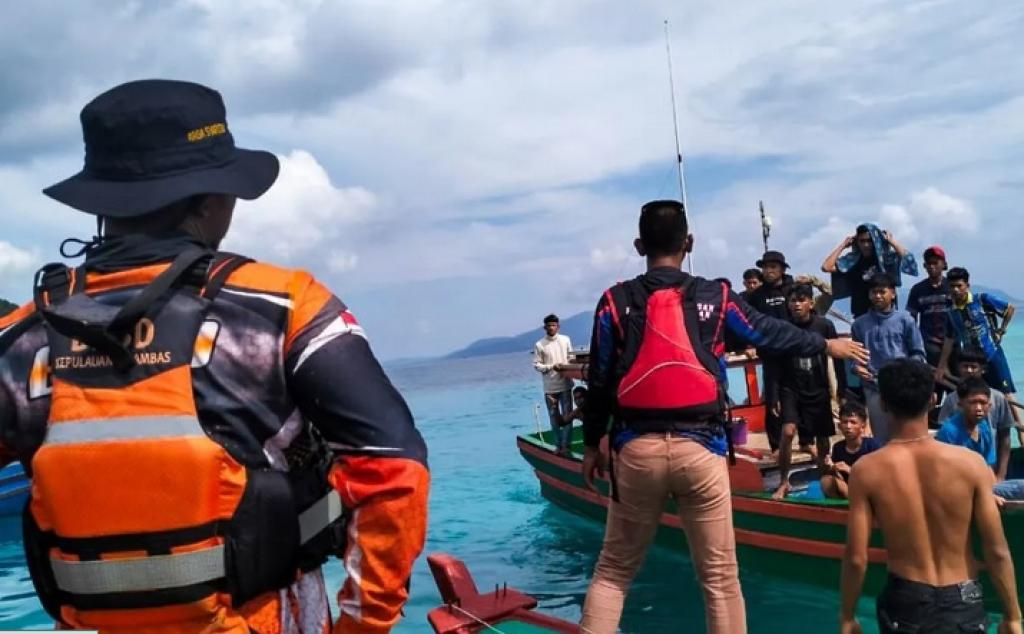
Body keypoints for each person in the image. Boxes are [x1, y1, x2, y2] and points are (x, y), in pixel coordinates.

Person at [0, 79, 429, 634]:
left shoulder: (21, 336)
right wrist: (361, 624)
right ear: (208, 200)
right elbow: (394, 469)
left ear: (105, 202)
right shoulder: (285, 308)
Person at [579, 200, 869, 634]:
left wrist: (589, 444)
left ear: (639, 245)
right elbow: (768, 332)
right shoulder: (715, 297)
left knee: (613, 573)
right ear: (689, 243)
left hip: (636, 451)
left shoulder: (614, 301)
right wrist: (827, 345)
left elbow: (599, 379)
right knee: (719, 580)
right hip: (703, 449)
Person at [840, 360, 1020, 634]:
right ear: (933, 399)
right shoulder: (971, 465)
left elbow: (856, 557)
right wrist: (1013, 616)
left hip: (907, 600)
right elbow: (996, 550)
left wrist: (848, 617)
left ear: (884, 403)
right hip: (964, 597)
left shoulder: (866, 471)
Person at [772, 284, 847, 499]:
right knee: (787, 432)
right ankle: (783, 481)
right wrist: (773, 395)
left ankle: (826, 480)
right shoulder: (783, 328)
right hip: (790, 387)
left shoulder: (824, 326)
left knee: (823, 439)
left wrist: (842, 389)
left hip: (818, 386)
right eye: (793, 300)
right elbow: (775, 363)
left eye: (801, 300)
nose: (796, 304)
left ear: (811, 303)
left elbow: (839, 357)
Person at [850, 273, 926, 443]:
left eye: (882, 292)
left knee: (906, 435)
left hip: (902, 387)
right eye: (873, 292)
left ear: (893, 293)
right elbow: (855, 355)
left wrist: (905, 374)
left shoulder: (905, 320)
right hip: (873, 388)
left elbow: (918, 353)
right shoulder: (859, 324)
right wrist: (856, 367)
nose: (877, 296)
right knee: (882, 438)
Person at [936, 377, 1024, 502]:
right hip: (961, 492)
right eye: (973, 402)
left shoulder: (983, 427)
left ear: (989, 405)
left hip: (983, 488)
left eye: (982, 403)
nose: (978, 408)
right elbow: (950, 477)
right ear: (960, 405)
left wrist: (993, 490)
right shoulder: (949, 432)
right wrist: (988, 497)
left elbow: (987, 466)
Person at [936, 267, 1017, 400]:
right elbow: (949, 339)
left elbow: (1009, 309)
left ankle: (1019, 421)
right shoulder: (951, 312)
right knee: (979, 395)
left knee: (1005, 393)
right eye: (952, 286)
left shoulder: (981, 300)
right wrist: (942, 366)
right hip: (973, 362)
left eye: (959, 286)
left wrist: (1001, 331)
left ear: (967, 286)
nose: (956, 290)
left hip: (992, 354)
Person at [937, 347, 1014, 481]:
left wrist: (1000, 475)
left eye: (974, 367)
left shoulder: (998, 398)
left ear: (983, 369)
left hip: (989, 467)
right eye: (965, 366)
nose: (969, 371)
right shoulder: (951, 400)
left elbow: (1005, 437)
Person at [822, 223, 917, 318]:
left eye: (869, 241)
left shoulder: (887, 260)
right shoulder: (852, 261)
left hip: (887, 315)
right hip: (862, 315)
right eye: (862, 241)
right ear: (857, 242)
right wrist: (843, 245)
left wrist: (892, 242)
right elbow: (827, 267)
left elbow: (909, 261)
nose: (866, 245)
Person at [534, 313, 575, 455]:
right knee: (553, 418)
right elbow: (537, 365)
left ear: (558, 326)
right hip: (550, 388)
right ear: (544, 327)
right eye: (549, 325)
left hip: (566, 385)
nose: (551, 328)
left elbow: (571, 358)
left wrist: (568, 367)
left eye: (554, 325)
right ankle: (558, 445)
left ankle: (566, 446)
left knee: (568, 416)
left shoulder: (565, 340)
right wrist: (551, 366)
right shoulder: (540, 344)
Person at [820, 401, 878, 499]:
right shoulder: (838, 448)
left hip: (870, 491)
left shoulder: (872, 446)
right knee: (826, 481)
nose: (848, 427)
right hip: (849, 491)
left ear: (862, 426)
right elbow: (840, 479)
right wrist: (831, 467)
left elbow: (878, 478)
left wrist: (850, 470)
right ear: (840, 426)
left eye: (853, 422)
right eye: (845, 422)